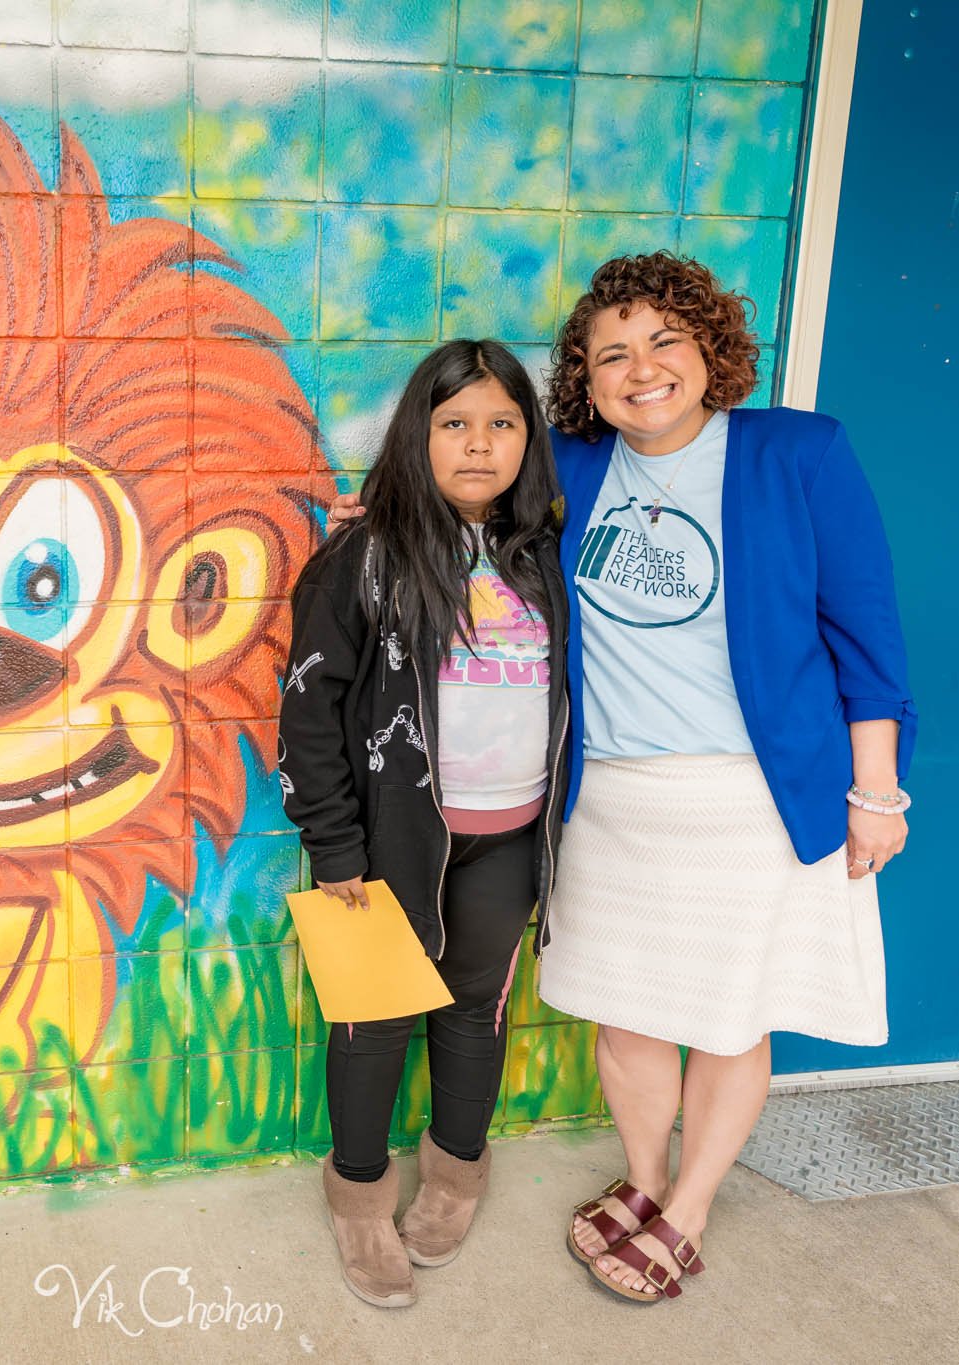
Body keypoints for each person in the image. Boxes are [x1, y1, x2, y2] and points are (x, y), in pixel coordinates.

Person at [329, 253, 915, 1304]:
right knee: (629, 1012)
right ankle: (643, 1184)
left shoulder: (798, 454)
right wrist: (371, 526)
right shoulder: (571, 469)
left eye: (663, 343)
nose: (641, 369)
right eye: (611, 354)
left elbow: (864, 634)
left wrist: (875, 792)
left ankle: (687, 1210)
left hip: (750, 796)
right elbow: (457, 492)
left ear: (708, 350)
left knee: (734, 1017)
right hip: (604, 802)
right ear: (584, 382)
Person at [279, 339, 570, 1308]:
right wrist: (333, 844)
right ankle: (359, 1197)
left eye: (500, 424)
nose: (478, 445)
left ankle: (453, 1178)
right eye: (453, 424)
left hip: (511, 837)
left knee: (471, 1012)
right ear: (419, 434)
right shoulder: (364, 556)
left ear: (528, 438)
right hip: (390, 846)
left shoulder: (544, 554)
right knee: (371, 1022)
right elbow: (307, 709)